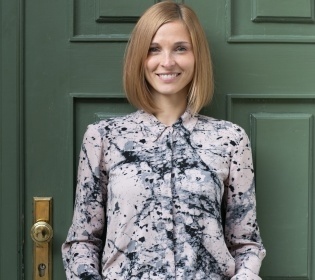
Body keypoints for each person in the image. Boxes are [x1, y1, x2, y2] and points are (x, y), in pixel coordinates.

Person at [62, 1, 266, 279]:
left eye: (180, 48)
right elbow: (82, 242)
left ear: (197, 57)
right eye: (154, 49)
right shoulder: (103, 137)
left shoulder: (230, 139)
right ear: (139, 57)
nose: (167, 62)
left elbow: (246, 243)